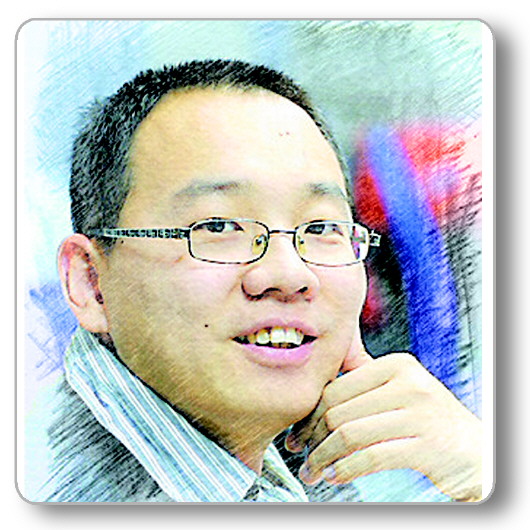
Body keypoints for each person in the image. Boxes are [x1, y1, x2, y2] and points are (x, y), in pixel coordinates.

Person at [41, 59, 481, 502]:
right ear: (91, 283)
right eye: (218, 226)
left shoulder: (313, 468)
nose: (290, 275)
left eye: (321, 228)